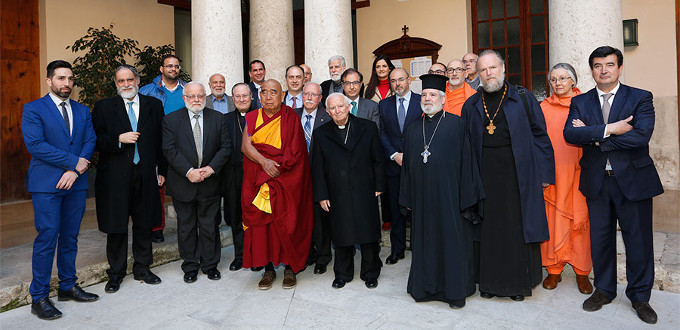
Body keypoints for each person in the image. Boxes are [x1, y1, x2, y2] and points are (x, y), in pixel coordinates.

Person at [563, 46, 664, 324]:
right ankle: (604, 290)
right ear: (591, 70)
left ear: (620, 68)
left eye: (609, 65)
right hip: (597, 182)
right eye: (597, 65)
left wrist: (594, 136)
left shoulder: (640, 97)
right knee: (601, 240)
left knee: (638, 241)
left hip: (633, 181)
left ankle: (640, 296)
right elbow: (571, 133)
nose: (603, 70)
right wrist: (612, 128)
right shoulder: (581, 101)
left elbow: (640, 137)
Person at [460, 50, 554, 301]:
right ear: (477, 74)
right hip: (484, 173)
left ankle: (518, 284)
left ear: (503, 68)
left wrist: (544, 173)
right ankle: (490, 284)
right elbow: (466, 144)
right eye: (483, 70)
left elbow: (540, 136)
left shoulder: (523, 97)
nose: (488, 73)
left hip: (518, 174)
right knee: (489, 229)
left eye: (492, 68)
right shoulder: (471, 104)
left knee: (516, 228)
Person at [22, 60, 98, 320]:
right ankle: (39, 297)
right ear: (49, 81)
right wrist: (71, 162)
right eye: (61, 78)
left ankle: (67, 285)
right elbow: (35, 145)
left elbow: (90, 140)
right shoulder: (33, 109)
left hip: (75, 183)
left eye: (70, 79)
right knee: (47, 238)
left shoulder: (82, 110)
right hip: (46, 185)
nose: (66, 83)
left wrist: (75, 171)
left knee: (70, 237)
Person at [401, 74, 484, 309]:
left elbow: (468, 162)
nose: (428, 99)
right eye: (425, 95)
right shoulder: (413, 128)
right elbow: (407, 167)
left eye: (433, 95)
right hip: (423, 200)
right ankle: (424, 288)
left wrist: (466, 198)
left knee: (451, 244)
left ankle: (454, 292)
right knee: (425, 242)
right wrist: (407, 198)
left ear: (443, 99)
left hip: (450, 199)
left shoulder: (457, 124)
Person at [92, 65, 166, 294]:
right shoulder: (104, 107)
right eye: (121, 81)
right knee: (116, 226)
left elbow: (161, 141)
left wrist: (161, 170)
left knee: (144, 223)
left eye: (130, 79)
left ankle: (143, 268)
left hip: (145, 173)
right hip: (114, 177)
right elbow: (94, 141)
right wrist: (118, 139)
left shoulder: (153, 105)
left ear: (138, 80)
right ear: (115, 83)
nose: (126, 84)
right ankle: (115, 273)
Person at [241, 79, 314, 290]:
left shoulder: (291, 117)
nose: (268, 96)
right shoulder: (252, 117)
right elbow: (246, 146)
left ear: (282, 96)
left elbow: (296, 152)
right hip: (259, 178)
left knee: (287, 222)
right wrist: (264, 163)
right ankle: (268, 269)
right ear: (259, 96)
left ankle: (290, 268)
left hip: (285, 180)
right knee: (264, 227)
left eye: (273, 92)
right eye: (264, 92)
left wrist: (276, 168)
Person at [312, 93, 385, 289]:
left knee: (368, 232)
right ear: (328, 112)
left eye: (340, 106)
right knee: (342, 233)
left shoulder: (367, 127)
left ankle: (370, 272)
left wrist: (379, 185)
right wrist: (321, 195)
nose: (337, 111)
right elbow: (317, 167)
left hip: (365, 187)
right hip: (337, 190)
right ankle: (342, 273)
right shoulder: (320, 133)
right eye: (333, 108)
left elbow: (378, 158)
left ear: (348, 107)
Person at [162, 82, 231, 283]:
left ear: (205, 96)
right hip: (183, 183)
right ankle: (190, 265)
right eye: (191, 96)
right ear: (184, 98)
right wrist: (188, 171)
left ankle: (210, 265)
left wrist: (211, 169)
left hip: (210, 182)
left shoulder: (217, 118)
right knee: (186, 226)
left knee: (210, 225)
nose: (196, 100)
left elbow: (225, 147)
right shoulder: (170, 120)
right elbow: (169, 150)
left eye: (200, 96)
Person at [539, 63, 593, 294]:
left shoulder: (586, 106)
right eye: (553, 79)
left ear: (574, 81)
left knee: (579, 222)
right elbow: (536, 141)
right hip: (553, 175)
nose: (558, 83)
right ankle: (554, 269)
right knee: (552, 221)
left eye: (563, 78)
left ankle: (582, 272)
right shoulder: (542, 107)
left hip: (580, 172)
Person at [139, 54, 187, 243]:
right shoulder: (146, 90)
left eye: (176, 66)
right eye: (169, 66)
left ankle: (187, 224)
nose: (173, 69)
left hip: (183, 144)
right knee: (156, 186)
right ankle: (157, 227)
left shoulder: (187, 90)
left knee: (185, 185)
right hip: (156, 144)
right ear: (161, 69)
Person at [379, 67, 423, 265]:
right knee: (396, 210)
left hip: (418, 165)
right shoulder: (384, 104)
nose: (398, 83)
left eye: (401, 79)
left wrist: (411, 155)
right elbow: (382, 133)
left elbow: (426, 130)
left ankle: (419, 248)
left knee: (419, 208)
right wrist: (394, 154)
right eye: (394, 80)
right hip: (393, 166)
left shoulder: (421, 100)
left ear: (409, 80)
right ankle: (397, 250)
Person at [294, 82, 333, 274]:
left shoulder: (328, 117)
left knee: (321, 219)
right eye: (306, 94)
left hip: (321, 175)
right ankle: (306, 254)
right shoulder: (291, 116)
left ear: (320, 98)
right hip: (296, 177)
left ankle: (323, 257)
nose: (309, 97)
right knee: (301, 218)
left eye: (313, 94)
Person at [222, 83, 253, 271]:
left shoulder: (260, 117)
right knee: (235, 218)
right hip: (232, 177)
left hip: (256, 177)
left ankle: (257, 255)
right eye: (237, 96)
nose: (241, 100)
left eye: (245, 96)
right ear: (233, 99)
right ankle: (240, 256)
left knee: (256, 218)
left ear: (251, 97)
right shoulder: (224, 120)